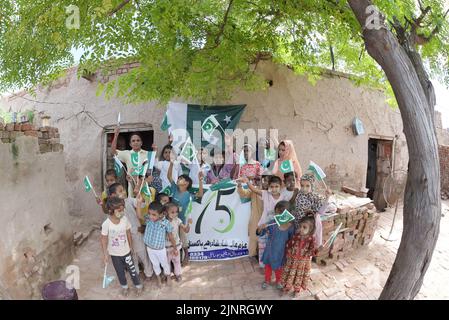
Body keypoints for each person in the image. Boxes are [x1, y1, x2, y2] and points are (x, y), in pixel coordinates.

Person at [240, 175, 291, 267]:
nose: (274, 189)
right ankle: (264, 265)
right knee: (263, 246)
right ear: (268, 187)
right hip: (264, 226)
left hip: (277, 228)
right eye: (272, 187)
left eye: (276, 186)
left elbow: (286, 213)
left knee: (274, 247)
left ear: (280, 187)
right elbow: (254, 190)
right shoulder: (265, 194)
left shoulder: (284, 197)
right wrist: (247, 181)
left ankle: (275, 264)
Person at [108, 183, 153, 280]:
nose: (124, 192)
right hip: (125, 237)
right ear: (113, 196)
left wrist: (140, 198)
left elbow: (141, 203)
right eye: (120, 191)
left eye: (123, 190)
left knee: (143, 254)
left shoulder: (129, 200)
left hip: (137, 233)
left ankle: (148, 273)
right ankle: (135, 274)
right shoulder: (113, 210)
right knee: (132, 257)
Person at [100, 196, 143, 297]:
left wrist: (131, 246)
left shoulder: (124, 220)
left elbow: (128, 233)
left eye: (123, 209)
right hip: (115, 254)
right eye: (119, 210)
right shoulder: (106, 224)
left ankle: (138, 286)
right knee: (120, 273)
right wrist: (105, 254)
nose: (122, 212)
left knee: (132, 270)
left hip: (126, 252)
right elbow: (103, 239)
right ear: (111, 211)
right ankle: (125, 287)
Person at [168, 161, 204, 266]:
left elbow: (200, 194)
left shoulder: (189, 194)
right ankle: (175, 260)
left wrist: (201, 181)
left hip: (181, 222)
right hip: (170, 221)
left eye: (181, 178)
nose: (178, 179)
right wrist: (171, 163)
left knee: (183, 240)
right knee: (172, 240)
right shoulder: (174, 189)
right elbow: (169, 176)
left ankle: (186, 255)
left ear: (187, 183)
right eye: (178, 178)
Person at [136, 200, 177, 287]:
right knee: (155, 264)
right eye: (149, 213)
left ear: (161, 214)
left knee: (164, 264)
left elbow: (171, 236)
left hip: (160, 250)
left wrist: (175, 248)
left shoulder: (165, 223)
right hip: (150, 248)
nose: (151, 216)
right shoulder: (148, 219)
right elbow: (139, 215)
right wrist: (139, 203)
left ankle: (168, 277)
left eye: (153, 214)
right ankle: (158, 278)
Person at [256, 201, 295, 290]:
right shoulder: (272, 223)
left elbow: (291, 240)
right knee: (268, 267)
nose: (278, 215)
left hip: (281, 252)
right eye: (276, 212)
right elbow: (261, 233)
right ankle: (267, 280)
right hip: (270, 251)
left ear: (288, 214)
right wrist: (260, 229)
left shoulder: (291, 227)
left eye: (281, 212)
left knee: (279, 268)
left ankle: (278, 281)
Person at [291, 173, 332, 248]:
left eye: (307, 186)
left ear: (312, 185)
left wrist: (327, 198)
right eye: (302, 185)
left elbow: (321, 212)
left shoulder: (315, 197)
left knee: (308, 247)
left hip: (310, 227)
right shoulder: (298, 195)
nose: (304, 188)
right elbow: (295, 209)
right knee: (298, 247)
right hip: (299, 226)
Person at [281, 215, 317, 298]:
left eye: (304, 227)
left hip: (302, 263)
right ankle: (287, 288)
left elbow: (312, 251)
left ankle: (297, 290)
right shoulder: (296, 236)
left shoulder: (311, 239)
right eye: (300, 226)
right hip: (292, 261)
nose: (301, 229)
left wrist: (317, 250)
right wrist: (288, 250)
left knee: (299, 276)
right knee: (289, 275)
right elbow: (289, 244)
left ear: (310, 229)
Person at [111, 125, 150, 196]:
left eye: (138, 140)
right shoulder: (127, 153)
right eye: (133, 141)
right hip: (131, 187)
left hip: (144, 187)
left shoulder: (147, 154)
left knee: (145, 205)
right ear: (130, 144)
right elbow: (113, 152)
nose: (136, 142)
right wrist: (116, 135)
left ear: (141, 142)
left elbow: (149, 171)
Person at [236, 176, 265, 258]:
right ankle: (253, 254)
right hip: (255, 218)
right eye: (256, 180)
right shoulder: (253, 190)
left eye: (260, 179)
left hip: (267, 219)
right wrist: (239, 185)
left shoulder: (270, 191)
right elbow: (243, 194)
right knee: (254, 237)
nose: (258, 181)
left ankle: (263, 256)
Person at [164, 202, 190, 282]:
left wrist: (188, 223)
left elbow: (186, 230)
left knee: (177, 261)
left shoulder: (178, 220)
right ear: (165, 212)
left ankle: (178, 274)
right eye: (172, 212)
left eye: (176, 212)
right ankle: (167, 275)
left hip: (176, 246)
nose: (175, 214)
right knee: (166, 263)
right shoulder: (163, 222)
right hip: (167, 247)